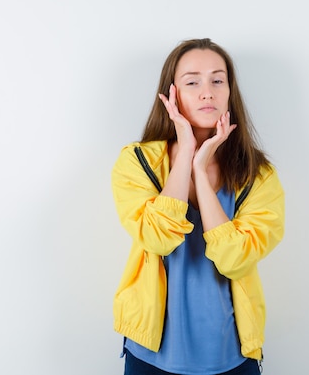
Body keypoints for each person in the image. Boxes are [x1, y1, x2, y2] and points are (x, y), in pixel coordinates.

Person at [111, 38, 285, 375]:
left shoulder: (259, 175)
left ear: (230, 91)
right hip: (151, 354)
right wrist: (186, 151)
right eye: (193, 82)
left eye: (218, 80)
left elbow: (235, 261)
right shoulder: (137, 161)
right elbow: (159, 239)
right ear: (172, 94)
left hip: (231, 355)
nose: (208, 92)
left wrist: (201, 177)